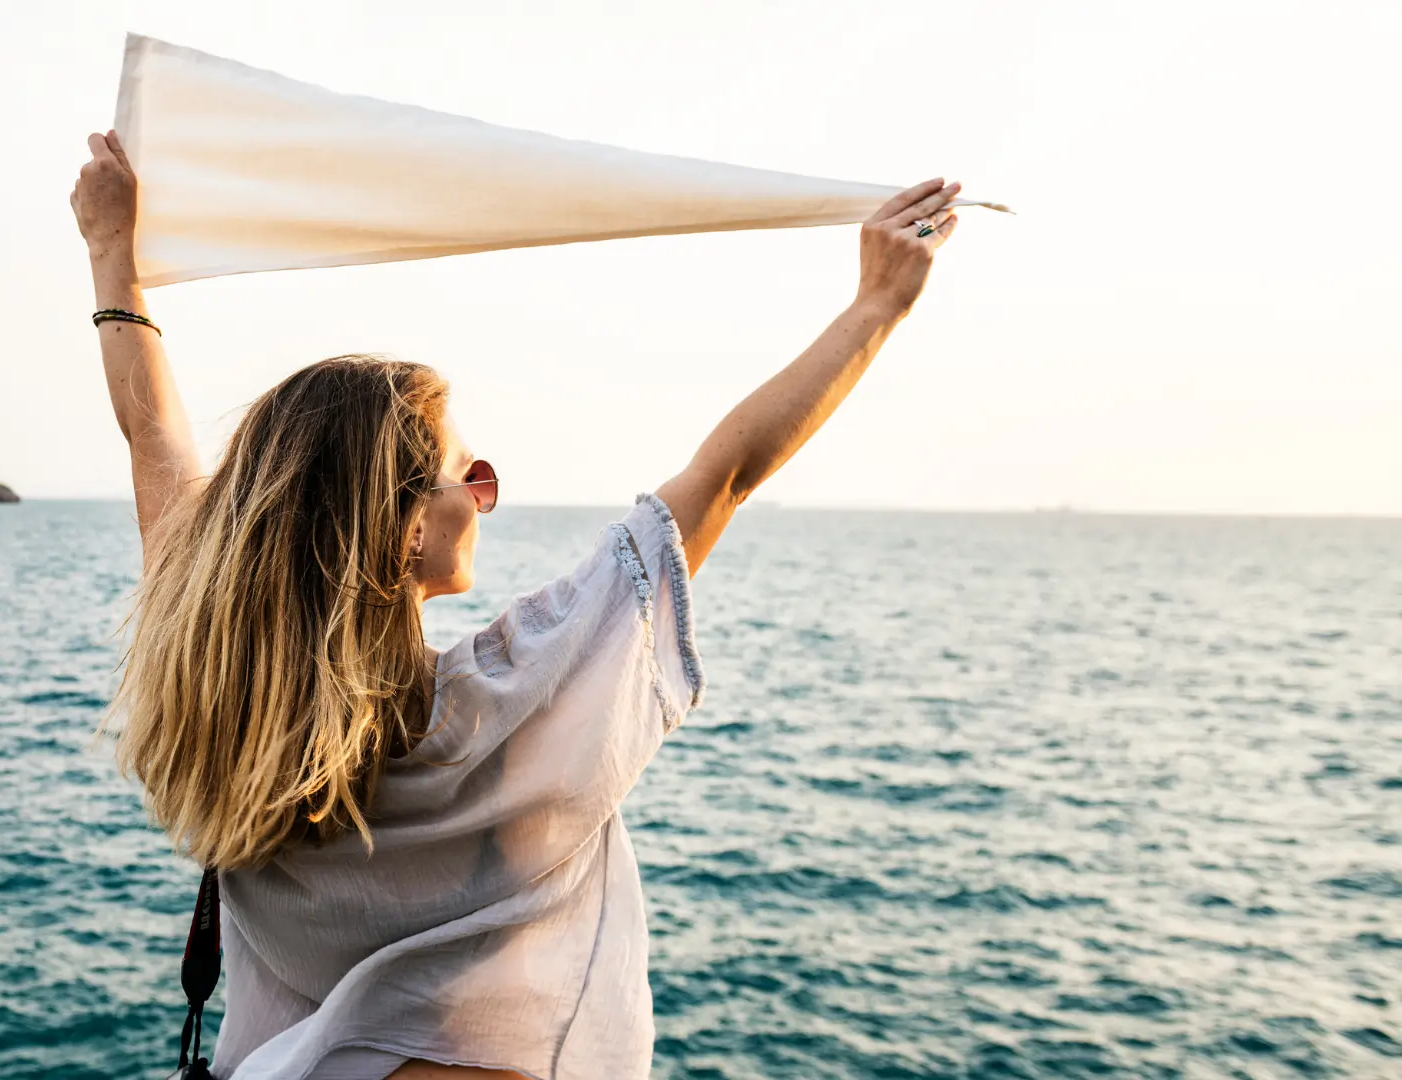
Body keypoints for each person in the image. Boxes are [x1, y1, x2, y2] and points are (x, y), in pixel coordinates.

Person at [71, 128, 963, 1080]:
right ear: (408, 526)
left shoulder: (218, 696)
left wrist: (109, 252)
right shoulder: (506, 709)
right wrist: (879, 302)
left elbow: (149, 432)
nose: (487, 497)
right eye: (473, 475)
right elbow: (726, 475)